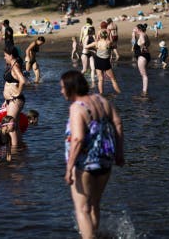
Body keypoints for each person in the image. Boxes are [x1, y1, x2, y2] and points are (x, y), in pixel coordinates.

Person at [62, 70, 124, 239]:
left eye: (62, 87)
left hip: (85, 163)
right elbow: (118, 123)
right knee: (94, 204)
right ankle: (94, 234)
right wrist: (119, 153)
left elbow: (78, 139)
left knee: (82, 209)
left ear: (70, 88)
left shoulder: (77, 108)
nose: (61, 91)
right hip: (105, 160)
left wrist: (69, 168)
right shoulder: (102, 100)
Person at [2, 46, 27, 146]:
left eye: (5, 55)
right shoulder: (11, 64)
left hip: (15, 100)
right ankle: (19, 149)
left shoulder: (15, 66)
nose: (4, 57)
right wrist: (6, 99)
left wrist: (18, 93)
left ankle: (14, 152)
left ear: (11, 55)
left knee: (10, 127)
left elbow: (23, 80)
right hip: (10, 100)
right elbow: (10, 83)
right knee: (15, 127)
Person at [84, 30, 121, 94]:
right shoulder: (108, 42)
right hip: (106, 61)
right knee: (113, 79)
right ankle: (119, 93)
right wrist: (110, 48)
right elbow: (115, 46)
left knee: (100, 79)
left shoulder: (96, 43)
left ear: (100, 36)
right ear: (106, 36)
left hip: (98, 61)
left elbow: (85, 47)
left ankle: (101, 94)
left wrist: (93, 49)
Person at [134, 24, 151, 96]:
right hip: (145, 56)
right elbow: (149, 43)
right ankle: (144, 90)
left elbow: (143, 42)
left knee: (144, 75)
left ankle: (144, 92)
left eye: (136, 28)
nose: (135, 29)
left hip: (142, 56)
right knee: (143, 74)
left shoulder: (141, 35)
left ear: (139, 29)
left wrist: (142, 46)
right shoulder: (145, 34)